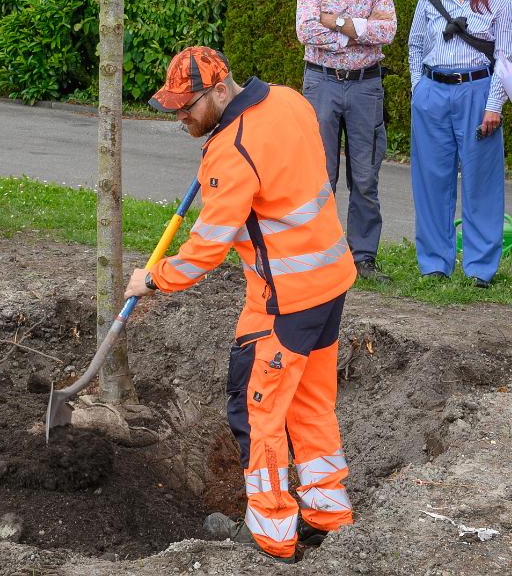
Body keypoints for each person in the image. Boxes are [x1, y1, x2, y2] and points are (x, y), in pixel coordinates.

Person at [126, 46, 356, 564]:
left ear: (220, 90)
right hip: (329, 280)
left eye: (187, 106)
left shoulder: (230, 151)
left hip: (284, 302)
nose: (181, 115)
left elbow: (206, 249)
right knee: (310, 403)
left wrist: (153, 279)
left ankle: (275, 536)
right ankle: (329, 515)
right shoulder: (288, 101)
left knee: (257, 414)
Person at [405, 0, 512, 287]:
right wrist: (418, 90)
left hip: (477, 90)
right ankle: (435, 263)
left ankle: (480, 267)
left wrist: (494, 105)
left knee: (481, 182)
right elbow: (415, 46)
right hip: (433, 91)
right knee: (431, 180)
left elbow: (505, 59)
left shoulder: (500, 0)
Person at [295, 0, 397, 282]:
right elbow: (305, 30)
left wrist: (334, 21)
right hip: (321, 83)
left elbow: (387, 30)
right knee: (319, 174)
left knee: (366, 175)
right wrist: (355, 33)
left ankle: (363, 257)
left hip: (366, 86)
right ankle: (319, 253)